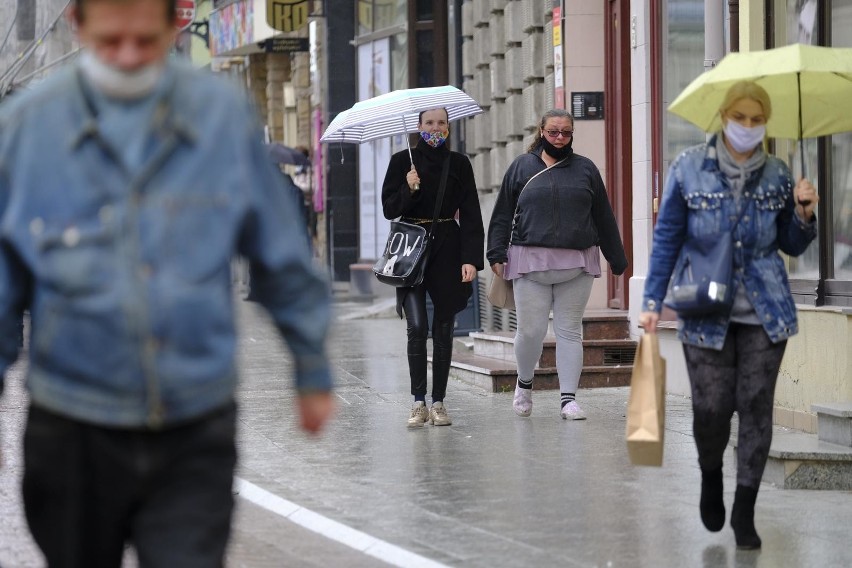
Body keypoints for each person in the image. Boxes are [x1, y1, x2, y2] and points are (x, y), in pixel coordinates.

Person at [0, 0, 335, 566]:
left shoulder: (220, 117)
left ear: (172, 26)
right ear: (78, 26)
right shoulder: (29, 128)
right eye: (110, 41)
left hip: (193, 421)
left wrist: (312, 367)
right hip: (73, 425)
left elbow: (279, 252)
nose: (128, 56)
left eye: (145, 40)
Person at [638, 81, 818, 550]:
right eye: (741, 117)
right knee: (711, 410)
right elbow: (667, 240)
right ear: (723, 117)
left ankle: (745, 509)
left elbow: (790, 245)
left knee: (757, 409)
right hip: (703, 309)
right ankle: (712, 473)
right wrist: (653, 303)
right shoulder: (688, 169)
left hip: (765, 312)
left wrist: (803, 214)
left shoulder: (779, 174)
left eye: (758, 119)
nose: (749, 127)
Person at [487, 109, 628, 421]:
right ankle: (524, 383)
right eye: (553, 132)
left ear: (572, 133)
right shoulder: (521, 166)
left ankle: (568, 400)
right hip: (530, 262)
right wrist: (496, 254)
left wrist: (617, 259)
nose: (560, 138)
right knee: (530, 332)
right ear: (541, 131)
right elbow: (502, 213)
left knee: (569, 332)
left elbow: (603, 215)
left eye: (566, 132)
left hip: (576, 263)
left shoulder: (586, 169)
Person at [381, 107, 484, 428]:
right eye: (429, 123)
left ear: (449, 128)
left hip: (449, 249)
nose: (435, 128)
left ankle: (439, 401)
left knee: (443, 327)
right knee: (417, 326)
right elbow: (389, 209)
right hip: (411, 250)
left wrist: (471, 259)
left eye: (441, 123)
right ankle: (417, 402)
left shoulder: (460, 164)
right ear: (418, 126)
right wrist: (408, 188)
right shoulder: (402, 161)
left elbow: (470, 213)